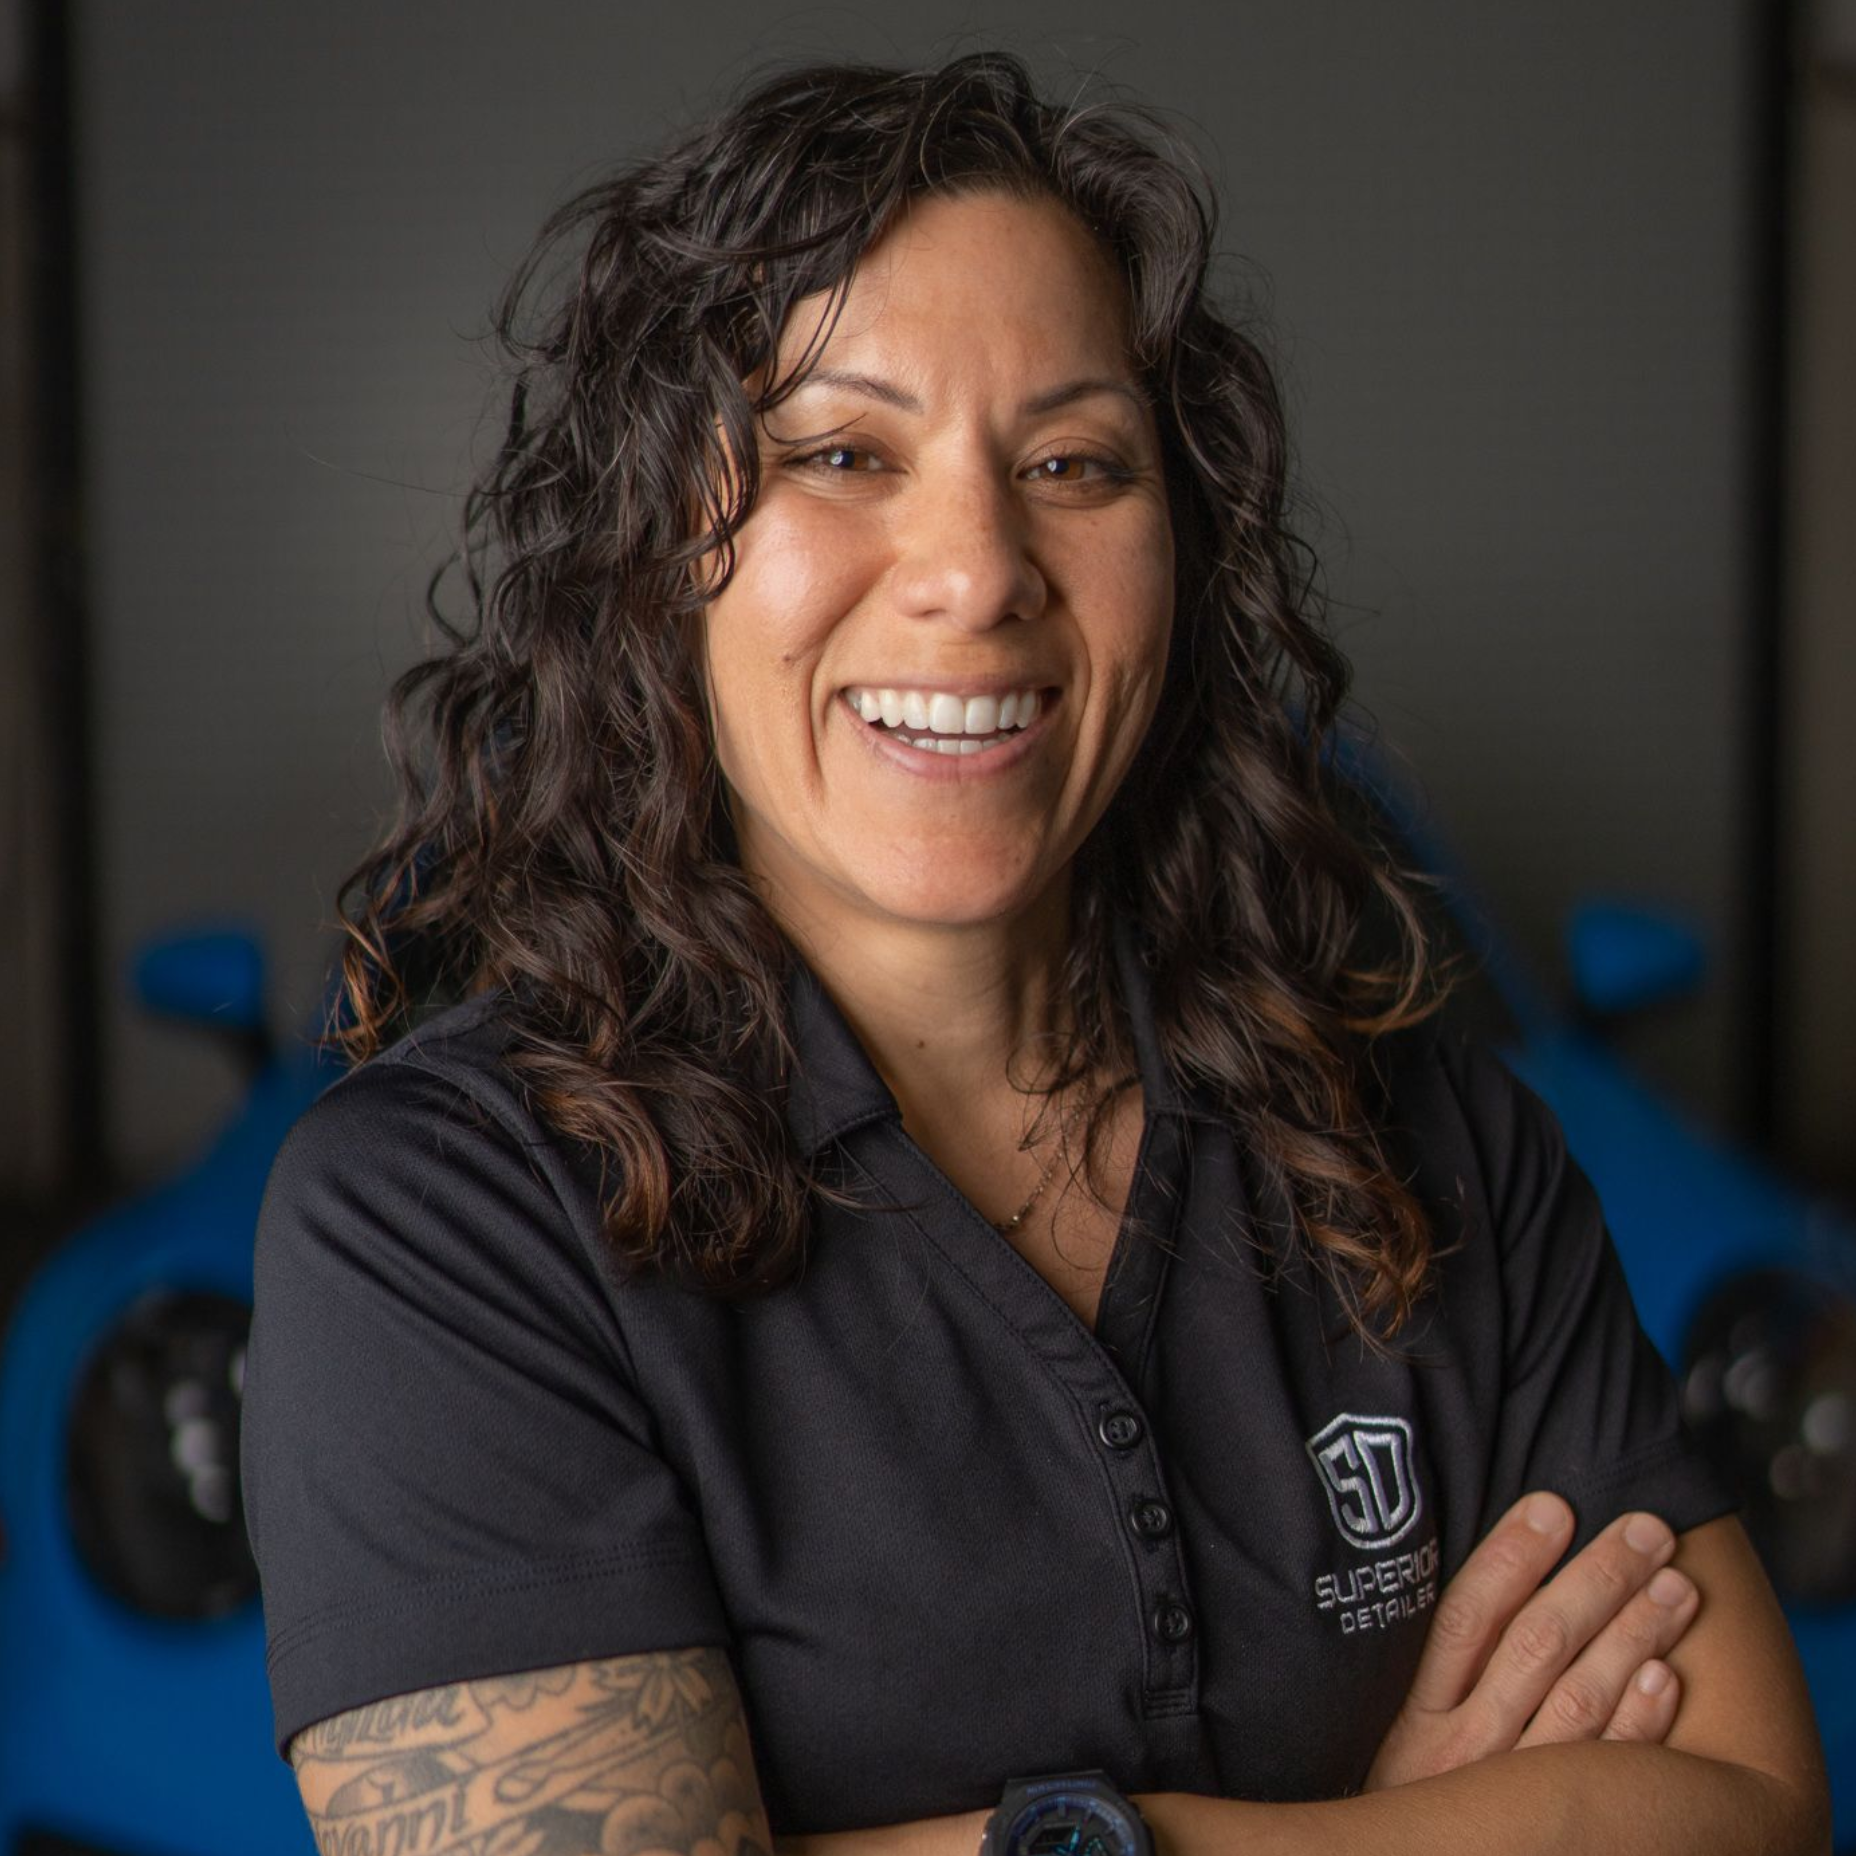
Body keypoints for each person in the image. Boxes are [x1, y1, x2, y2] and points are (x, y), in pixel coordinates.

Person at [239, 49, 1830, 1856]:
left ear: (1188, 549)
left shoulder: (1440, 1155)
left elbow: (1755, 1812)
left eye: (1075, 461)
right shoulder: (446, 1222)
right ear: (648, 555)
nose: (980, 567)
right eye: (842, 452)